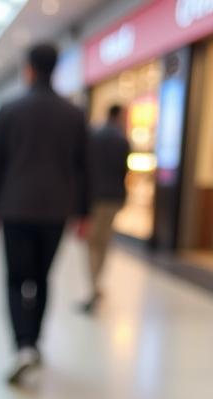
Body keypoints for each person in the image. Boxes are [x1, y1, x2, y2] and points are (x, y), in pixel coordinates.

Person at [0, 42, 88, 385]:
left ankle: (23, 345)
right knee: (41, 278)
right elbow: (84, 167)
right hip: (56, 210)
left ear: (28, 68)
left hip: (15, 208)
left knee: (15, 278)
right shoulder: (73, 113)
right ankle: (35, 342)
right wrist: (83, 212)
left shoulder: (10, 110)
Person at [81, 104, 130, 314]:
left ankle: (94, 286)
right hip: (113, 197)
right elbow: (124, 171)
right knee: (103, 242)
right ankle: (97, 283)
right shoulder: (122, 140)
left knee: (93, 244)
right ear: (118, 115)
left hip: (93, 198)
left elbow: (83, 168)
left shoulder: (93, 136)